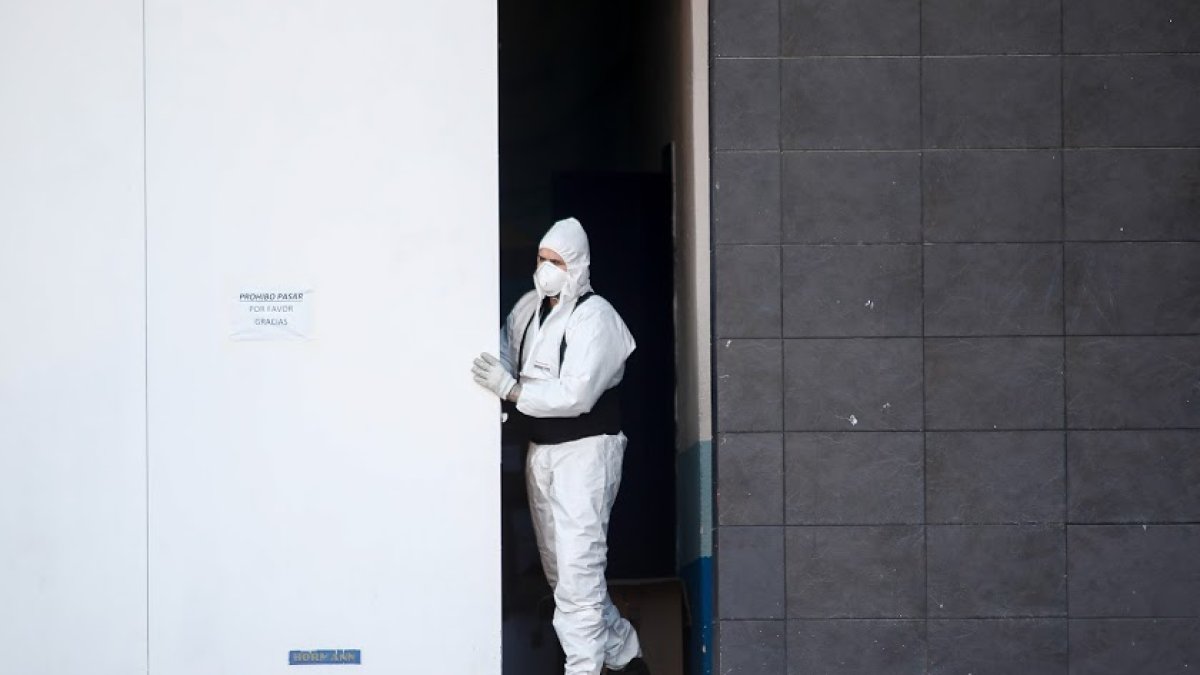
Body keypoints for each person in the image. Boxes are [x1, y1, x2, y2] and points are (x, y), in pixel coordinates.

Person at [472, 217, 650, 675]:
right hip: (542, 452)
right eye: (542, 258)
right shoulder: (529, 308)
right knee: (563, 577)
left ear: (577, 265)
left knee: (579, 576)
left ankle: (584, 668)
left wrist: (512, 391)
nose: (546, 268)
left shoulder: (598, 318)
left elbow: (576, 394)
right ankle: (627, 657)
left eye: (556, 261)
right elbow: (507, 352)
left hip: (585, 453)